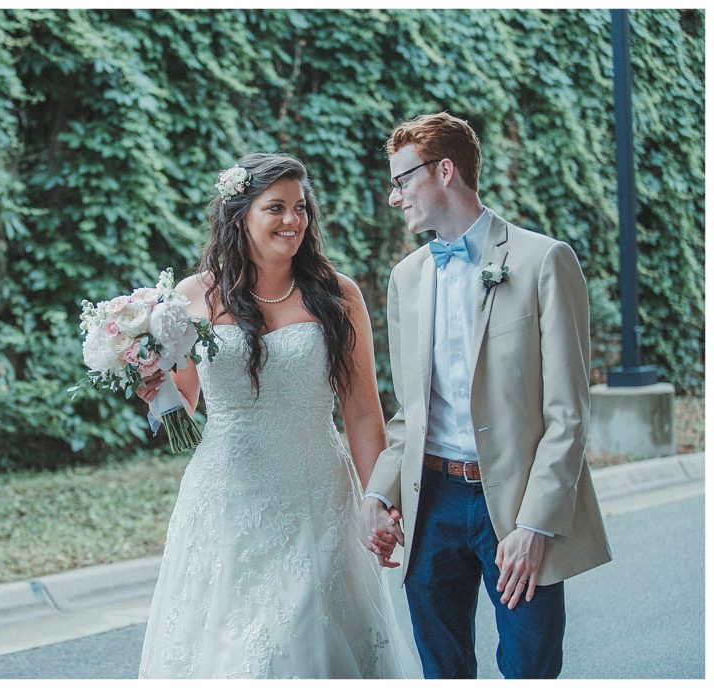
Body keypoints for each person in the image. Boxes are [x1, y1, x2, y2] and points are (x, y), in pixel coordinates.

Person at [135, 152, 420, 679]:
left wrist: (378, 499)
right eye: (276, 208)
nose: (292, 220)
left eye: (300, 208)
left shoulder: (339, 295)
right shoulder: (192, 297)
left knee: (299, 642)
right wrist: (150, 380)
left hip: (316, 498)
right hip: (228, 500)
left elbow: (361, 412)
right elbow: (185, 400)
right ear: (240, 214)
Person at [361, 112, 613, 679]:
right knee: (443, 672)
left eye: (402, 180)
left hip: (517, 509)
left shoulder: (543, 261)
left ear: (444, 170)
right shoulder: (407, 278)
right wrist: (379, 493)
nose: (394, 196)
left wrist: (536, 525)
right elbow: (410, 416)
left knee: (529, 668)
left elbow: (568, 414)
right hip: (433, 506)